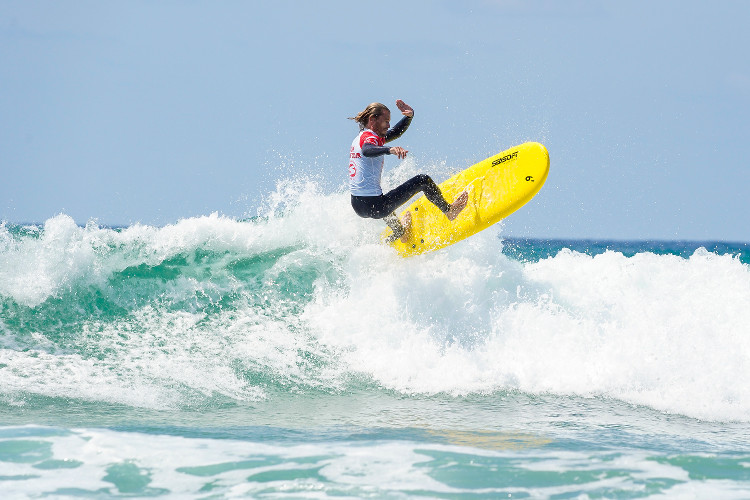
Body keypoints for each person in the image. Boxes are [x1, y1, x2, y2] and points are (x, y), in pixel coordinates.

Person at [348, 100, 468, 243]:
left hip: (358, 206)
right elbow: (367, 150)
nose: (388, 125)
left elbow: (395, 133)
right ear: (372, 119)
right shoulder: (369, 139)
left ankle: (400, 232)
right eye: (385, 121)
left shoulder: (362, 137)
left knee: (383, 197)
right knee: (422, 180)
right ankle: (449, 211)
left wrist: (409, 116)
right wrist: (389, 149)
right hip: (376, 206)